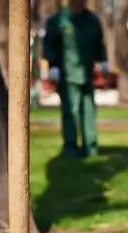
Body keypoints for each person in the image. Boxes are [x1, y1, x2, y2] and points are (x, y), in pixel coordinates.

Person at [43, 0, 108, 158]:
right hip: (67, 73)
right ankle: (70, 147)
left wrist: (103, 61)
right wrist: (52, 66)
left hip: (87, 73)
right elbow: (49, 44)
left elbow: (99, 43)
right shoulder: (59, 20)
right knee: (71, 111)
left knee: (88, 110)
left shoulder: (92, 21)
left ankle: (90, 146)